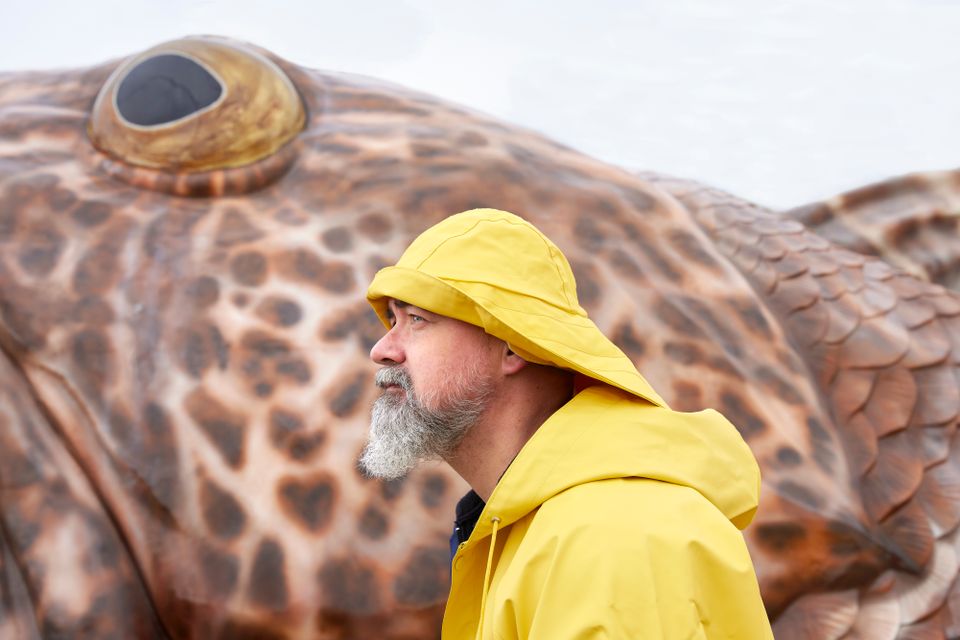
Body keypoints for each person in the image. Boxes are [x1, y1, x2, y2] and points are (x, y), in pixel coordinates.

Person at [359, 208, 773, 639]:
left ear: (511, 346)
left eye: (417, 320)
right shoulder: (533, 529)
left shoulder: (613, 535)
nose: (382, 349)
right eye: (392, 320)